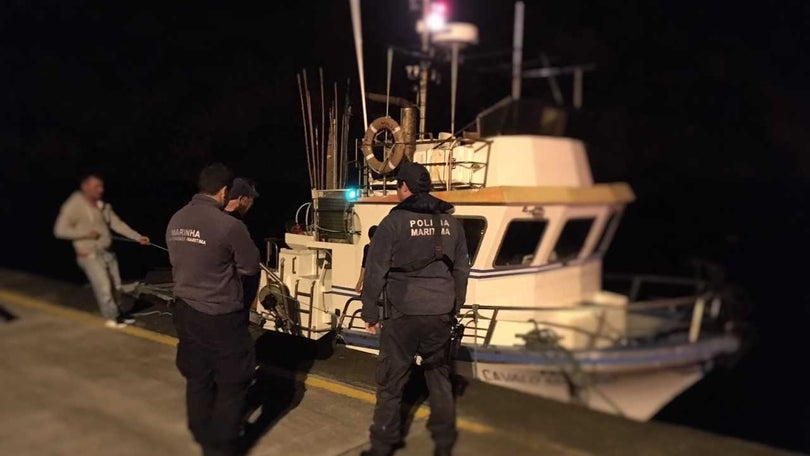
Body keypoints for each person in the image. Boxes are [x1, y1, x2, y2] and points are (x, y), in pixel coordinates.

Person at [360, 162, 470, 456]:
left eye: (398, 186)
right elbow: (461, 270)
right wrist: (454, 306)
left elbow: (375, 272)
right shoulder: (453, 224)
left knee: (391, 382)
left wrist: (369, 313)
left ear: (405, 188)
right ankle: (445, 443)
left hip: (403, 314)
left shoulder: (392, 223)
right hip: (441, 313)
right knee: (439, 377)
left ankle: (382, 446)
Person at [166, 164, 260, 456]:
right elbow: (249, 266)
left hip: (184, 311)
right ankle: (220, 446)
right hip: (221, 317)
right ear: (223, 191)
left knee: (198, 375)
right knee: (233, 382)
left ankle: (200, 429)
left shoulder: (176, 218)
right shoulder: (230, 226)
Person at [53, 173, 150, 328]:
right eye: (96, 186)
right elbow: (60, 230)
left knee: (116, 286)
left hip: (108, 252)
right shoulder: (74, 205)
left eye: (101, 186)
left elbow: (117, 224)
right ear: (85, 187)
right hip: (89, 254)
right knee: (103, 286)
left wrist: (137, 237)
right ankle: (111, 318)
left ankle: (119, 314)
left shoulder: (103, 206)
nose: (101, 190)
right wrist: (85, 234)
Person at [224, 177, 261, 308]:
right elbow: (250, 263)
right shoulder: (236, 224)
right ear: (242, 199)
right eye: (251, 199)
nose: (251, 203)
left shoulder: (215, 216)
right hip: (234, 294)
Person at [355, 225, 378, 293]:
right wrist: (360, 282)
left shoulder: (368, 248)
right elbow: (364, 266)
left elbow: (364, 266)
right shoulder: (368, 248)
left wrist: (360, 282)